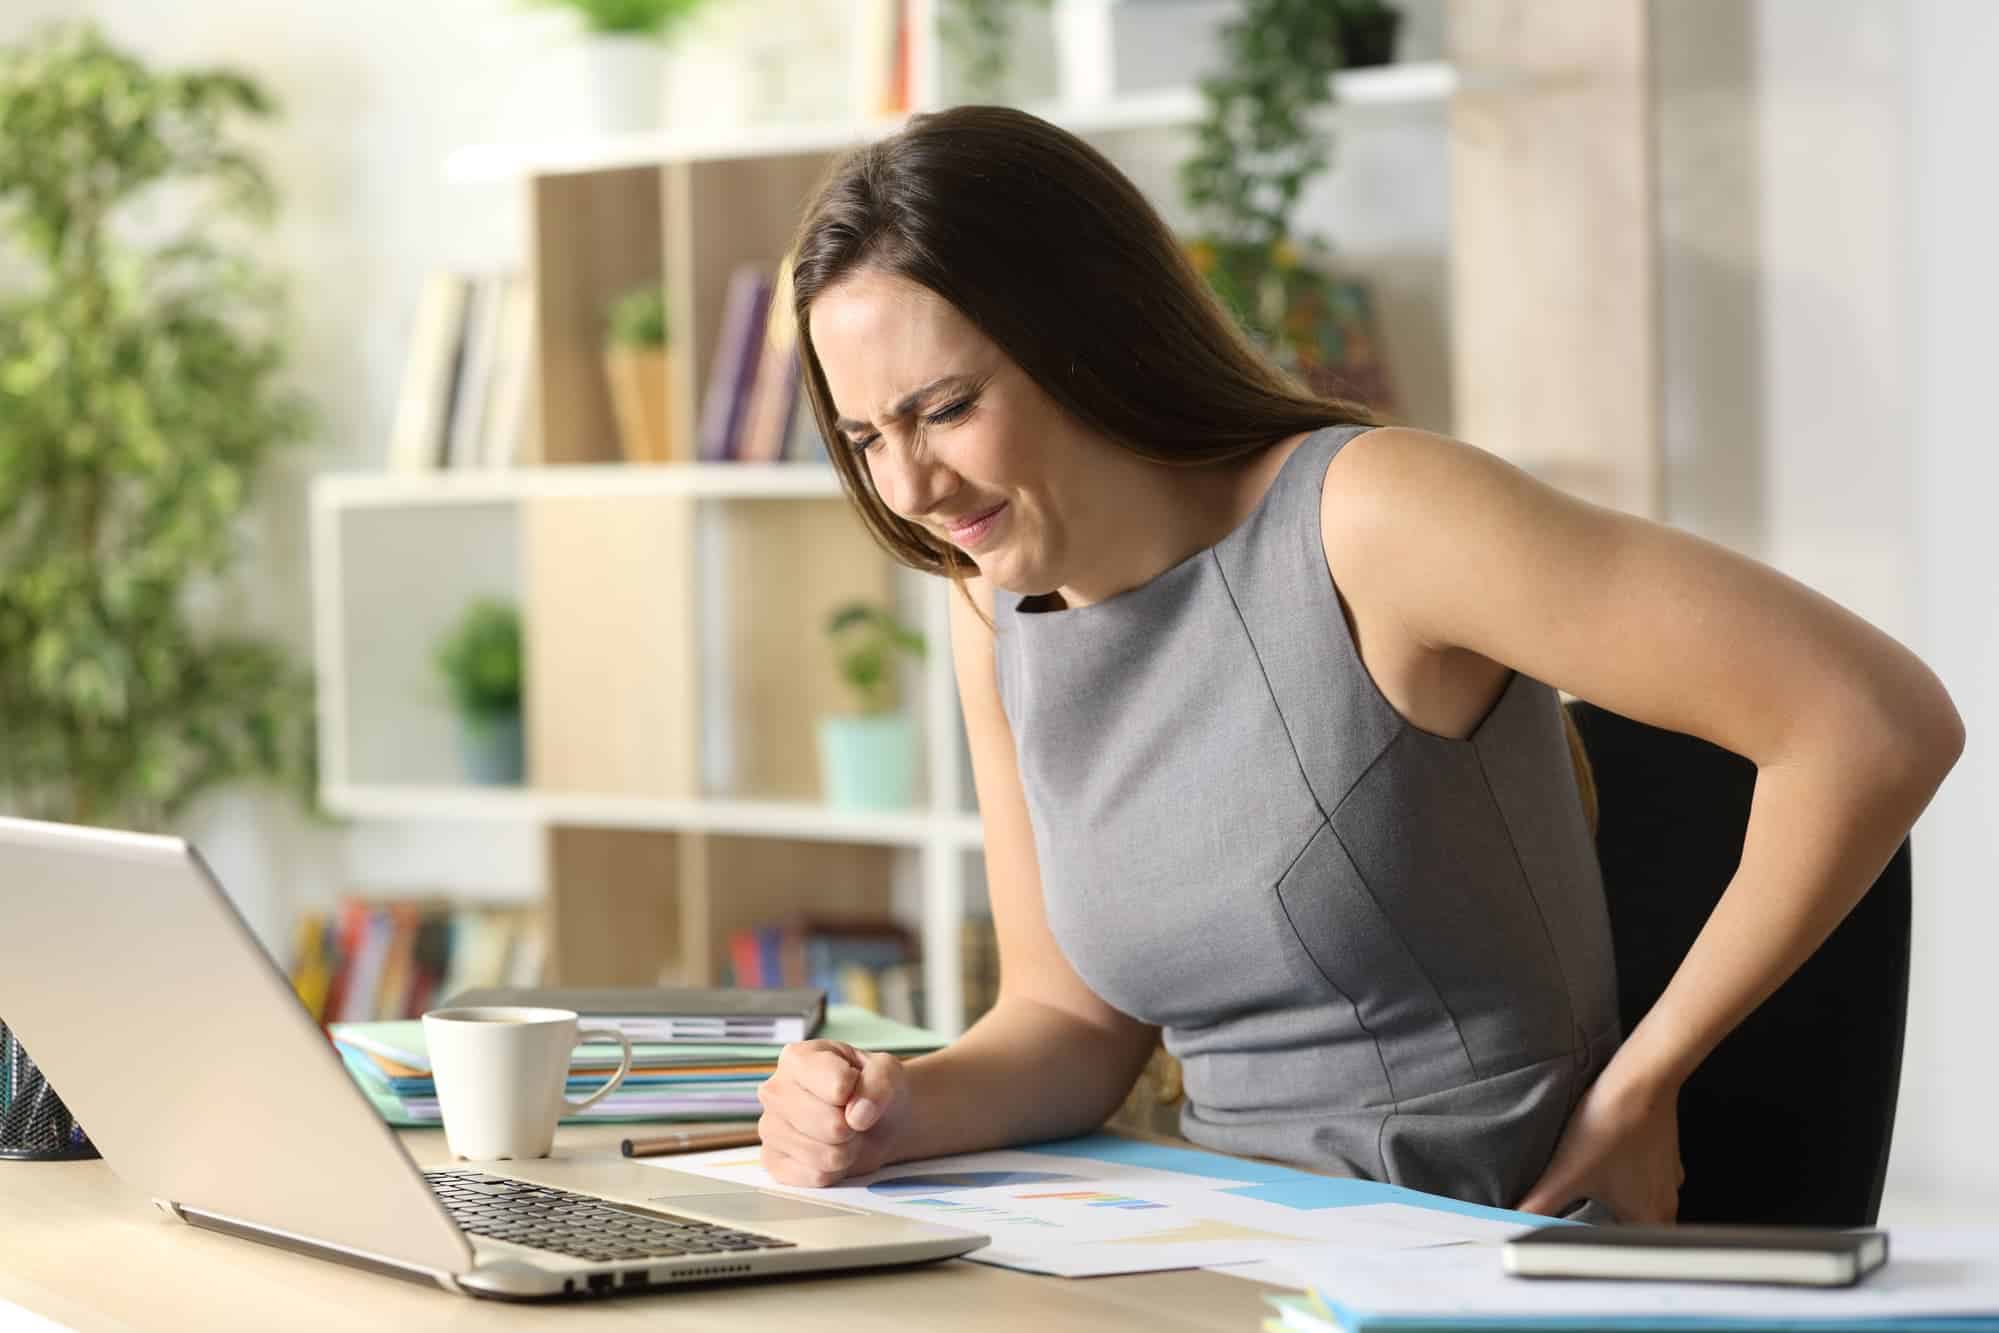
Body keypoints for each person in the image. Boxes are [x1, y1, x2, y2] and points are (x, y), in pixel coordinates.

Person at [752, 106, 1962, 1223]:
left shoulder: (1372, 519)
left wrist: (1645, 1083)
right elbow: (1070, 1022)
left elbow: (1872, 719)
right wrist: (895, 1107)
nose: (907, 486)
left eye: (944, 409)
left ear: (1085, 338)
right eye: (864, 436)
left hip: (1489, 1235)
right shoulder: (996, 605)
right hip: (1226, 1239)